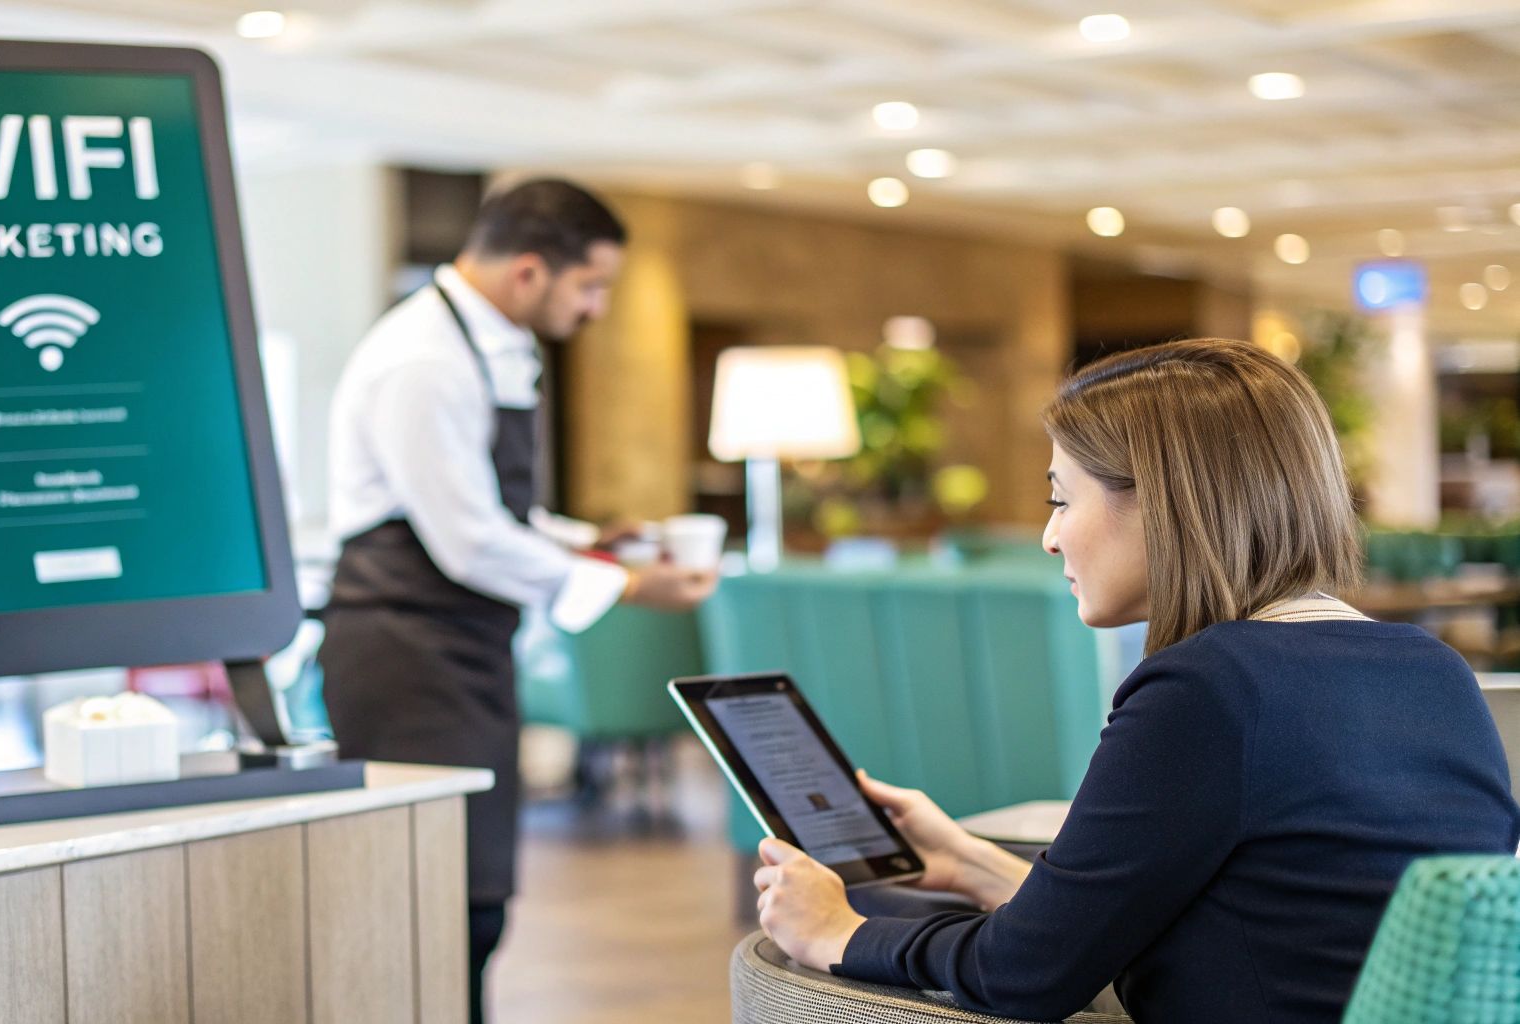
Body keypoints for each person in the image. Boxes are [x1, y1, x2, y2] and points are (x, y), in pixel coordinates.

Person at [752, 338, 1520, 1023]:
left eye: (1061, 497)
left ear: (1161, 500)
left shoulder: (1210, 687)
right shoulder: (1433, 669)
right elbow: (1256, 917)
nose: (1051, 537)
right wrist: (968, 863)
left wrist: (837, 934)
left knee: (769, 956)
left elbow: (1024, 978)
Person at [318, 178, 718, 1024]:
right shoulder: (423, 358)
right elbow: (465, 540)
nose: (599, 307)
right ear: (532, 271)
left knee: (476, 892)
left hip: (460, 648)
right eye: (592, 286)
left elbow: (506, 517)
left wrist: (596, 542)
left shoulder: (492, 345)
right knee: (434, 900)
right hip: (402, 653)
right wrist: (631, 585)